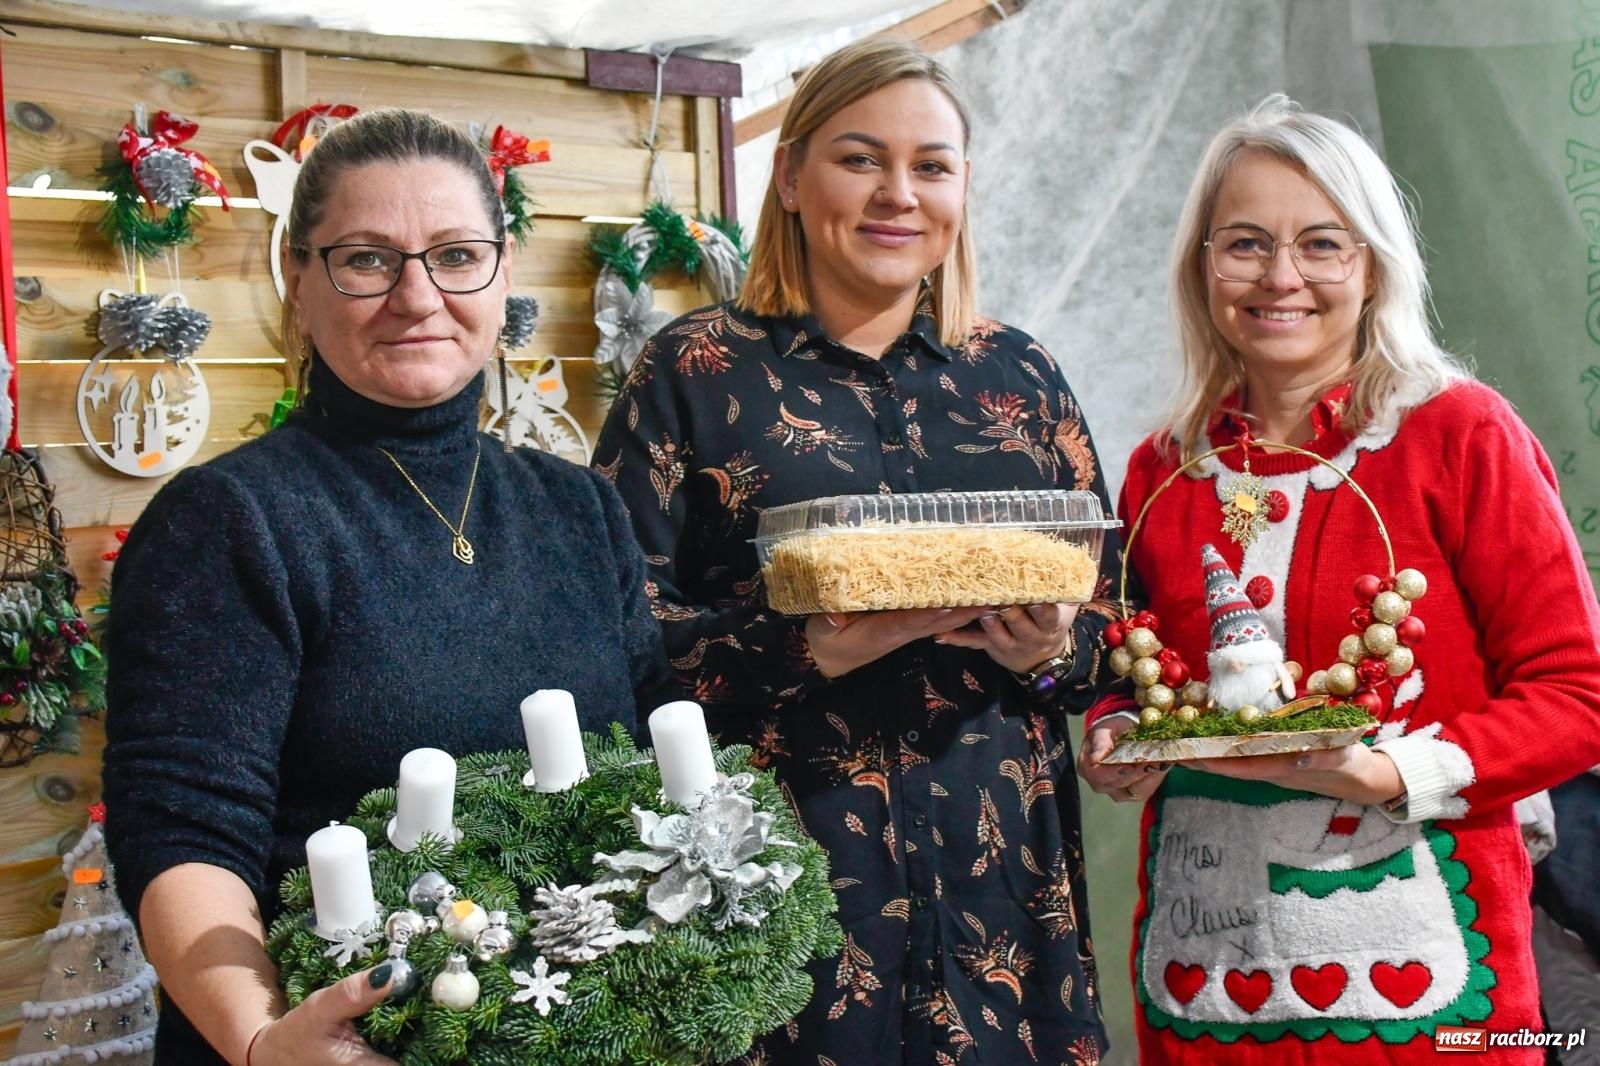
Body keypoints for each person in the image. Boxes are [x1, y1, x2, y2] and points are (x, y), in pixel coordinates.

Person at [101, 108, 677, 1065]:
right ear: (298, 281)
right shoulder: (229, 521)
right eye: (367, 259)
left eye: (456, 255)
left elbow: (661, 774)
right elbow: (182, 831)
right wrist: (258, 1040)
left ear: (501, 275)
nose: (418, 295)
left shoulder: (580, 511)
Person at [594, 37, 1119, 1065]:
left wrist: (1042, 652)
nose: (897, 194)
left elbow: (1112, 623)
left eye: (930, 165)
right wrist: (809, 649)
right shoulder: (694, 371)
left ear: (962, 185)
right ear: (788, 175)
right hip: (781, 887)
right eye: (859, 158)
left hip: (1001, 895)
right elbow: (616, 644)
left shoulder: (1020, 374)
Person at [1076, 95, 1600, 1063]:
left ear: (1372, 266)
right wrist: (1115, 728)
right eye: (1244, 244)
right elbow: (1135, 661)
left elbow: (1577, 694)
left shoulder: (1459, 435)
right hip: (1206, 975)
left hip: (1431, 983)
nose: (1281, 277)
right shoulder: (1162, 468)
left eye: (1321, 243)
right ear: (1201, 265)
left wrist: (1392, 770)